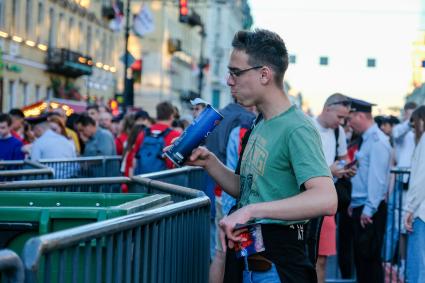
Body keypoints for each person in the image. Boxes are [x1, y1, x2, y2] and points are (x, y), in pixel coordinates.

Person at [186, 29, 337, 283]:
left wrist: (252, 211)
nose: (229, 80)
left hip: (276, 269)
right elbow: (248, 189)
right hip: (250, 263)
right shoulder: (262, 122)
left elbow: (326, 198)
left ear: (264, 74)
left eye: (236, 72)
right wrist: (209, 162)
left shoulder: (297, 127)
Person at [347, 98, 392, 283]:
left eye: (351, 118)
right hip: (362, 206)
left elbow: (377, 179)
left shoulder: (377, 141)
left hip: (369, 211)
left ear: (360, 116)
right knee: (362, 262)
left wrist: (368, 209)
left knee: (369, 262)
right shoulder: (367, 139)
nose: (349, 124)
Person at [312, 93, 354, 283]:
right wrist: (330, 171)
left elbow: (343, 158)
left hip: (328, 201)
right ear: (327, 108)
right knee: (307, 258)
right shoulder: (308, 128)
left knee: (322, 259)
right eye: (340, 117)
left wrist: (346, 169)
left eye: (345, 118)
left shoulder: (339, 133)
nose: (342, 122)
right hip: (306, 201)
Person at [384, 102, 417, 264]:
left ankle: (406, 263)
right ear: (405, 114)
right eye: (410, 114)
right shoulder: (401, 131)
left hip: (416, 185)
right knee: (398, 226)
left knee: (411, 227)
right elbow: (396, 134)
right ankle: (392, 262)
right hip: (401, 183)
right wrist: (410, 122)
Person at [404, 105, 425, 283]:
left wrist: (409, 209)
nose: (413, 129)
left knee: (417, 270)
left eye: (414, 124)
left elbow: (420, 178)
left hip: (422, 212)